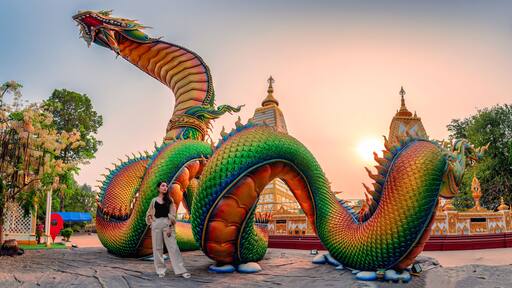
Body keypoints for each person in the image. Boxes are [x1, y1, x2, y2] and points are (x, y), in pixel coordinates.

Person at [145, 181, 191, 278]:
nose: (165, 187)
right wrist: (151, 222)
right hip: (156, 224)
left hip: (167, 224)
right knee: (157, 248)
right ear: (159, 188)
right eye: (163, 186)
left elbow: (173, 215)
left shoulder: (170, 201)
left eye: (166, 186)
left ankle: (181, 270)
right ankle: (160, 270)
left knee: (173, 248)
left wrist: (170, 227)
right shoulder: (154, 201)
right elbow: (149, 213)